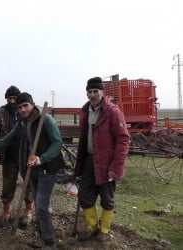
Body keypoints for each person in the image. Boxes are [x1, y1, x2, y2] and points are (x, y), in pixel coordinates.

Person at [0, 92, 62, 249]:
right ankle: (42, 236)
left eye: (25, 106)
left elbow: (57, 143)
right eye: (19, 107)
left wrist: (42, 158)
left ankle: (49, 242)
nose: (22, 110)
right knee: (40, 204)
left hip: (46, 168)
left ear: (32, 104)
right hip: (31, 169)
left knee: (41, 205)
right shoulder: (22, 122)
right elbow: (6, 139)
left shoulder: (45, 119)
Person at [74, 77, 130, 241]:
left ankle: (104, 230)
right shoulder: (85, 111)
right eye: (89, 92)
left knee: (107, 198)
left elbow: (123, 140)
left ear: (102, 92)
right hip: (89, 160)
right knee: (84, 195)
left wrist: (116, 166)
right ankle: (92, 227)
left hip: (107, 162)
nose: (92, 95)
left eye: (95, 91)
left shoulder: (113, 112)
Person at [0, 85, 33, 226]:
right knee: (8, 185)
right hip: (8, 155)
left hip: (26, 155)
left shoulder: (24, 111)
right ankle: (6, 211)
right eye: (9, 98)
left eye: (14, 98)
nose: (11, 101)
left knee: (28, 184)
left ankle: (28, 211)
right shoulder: (1, 111)